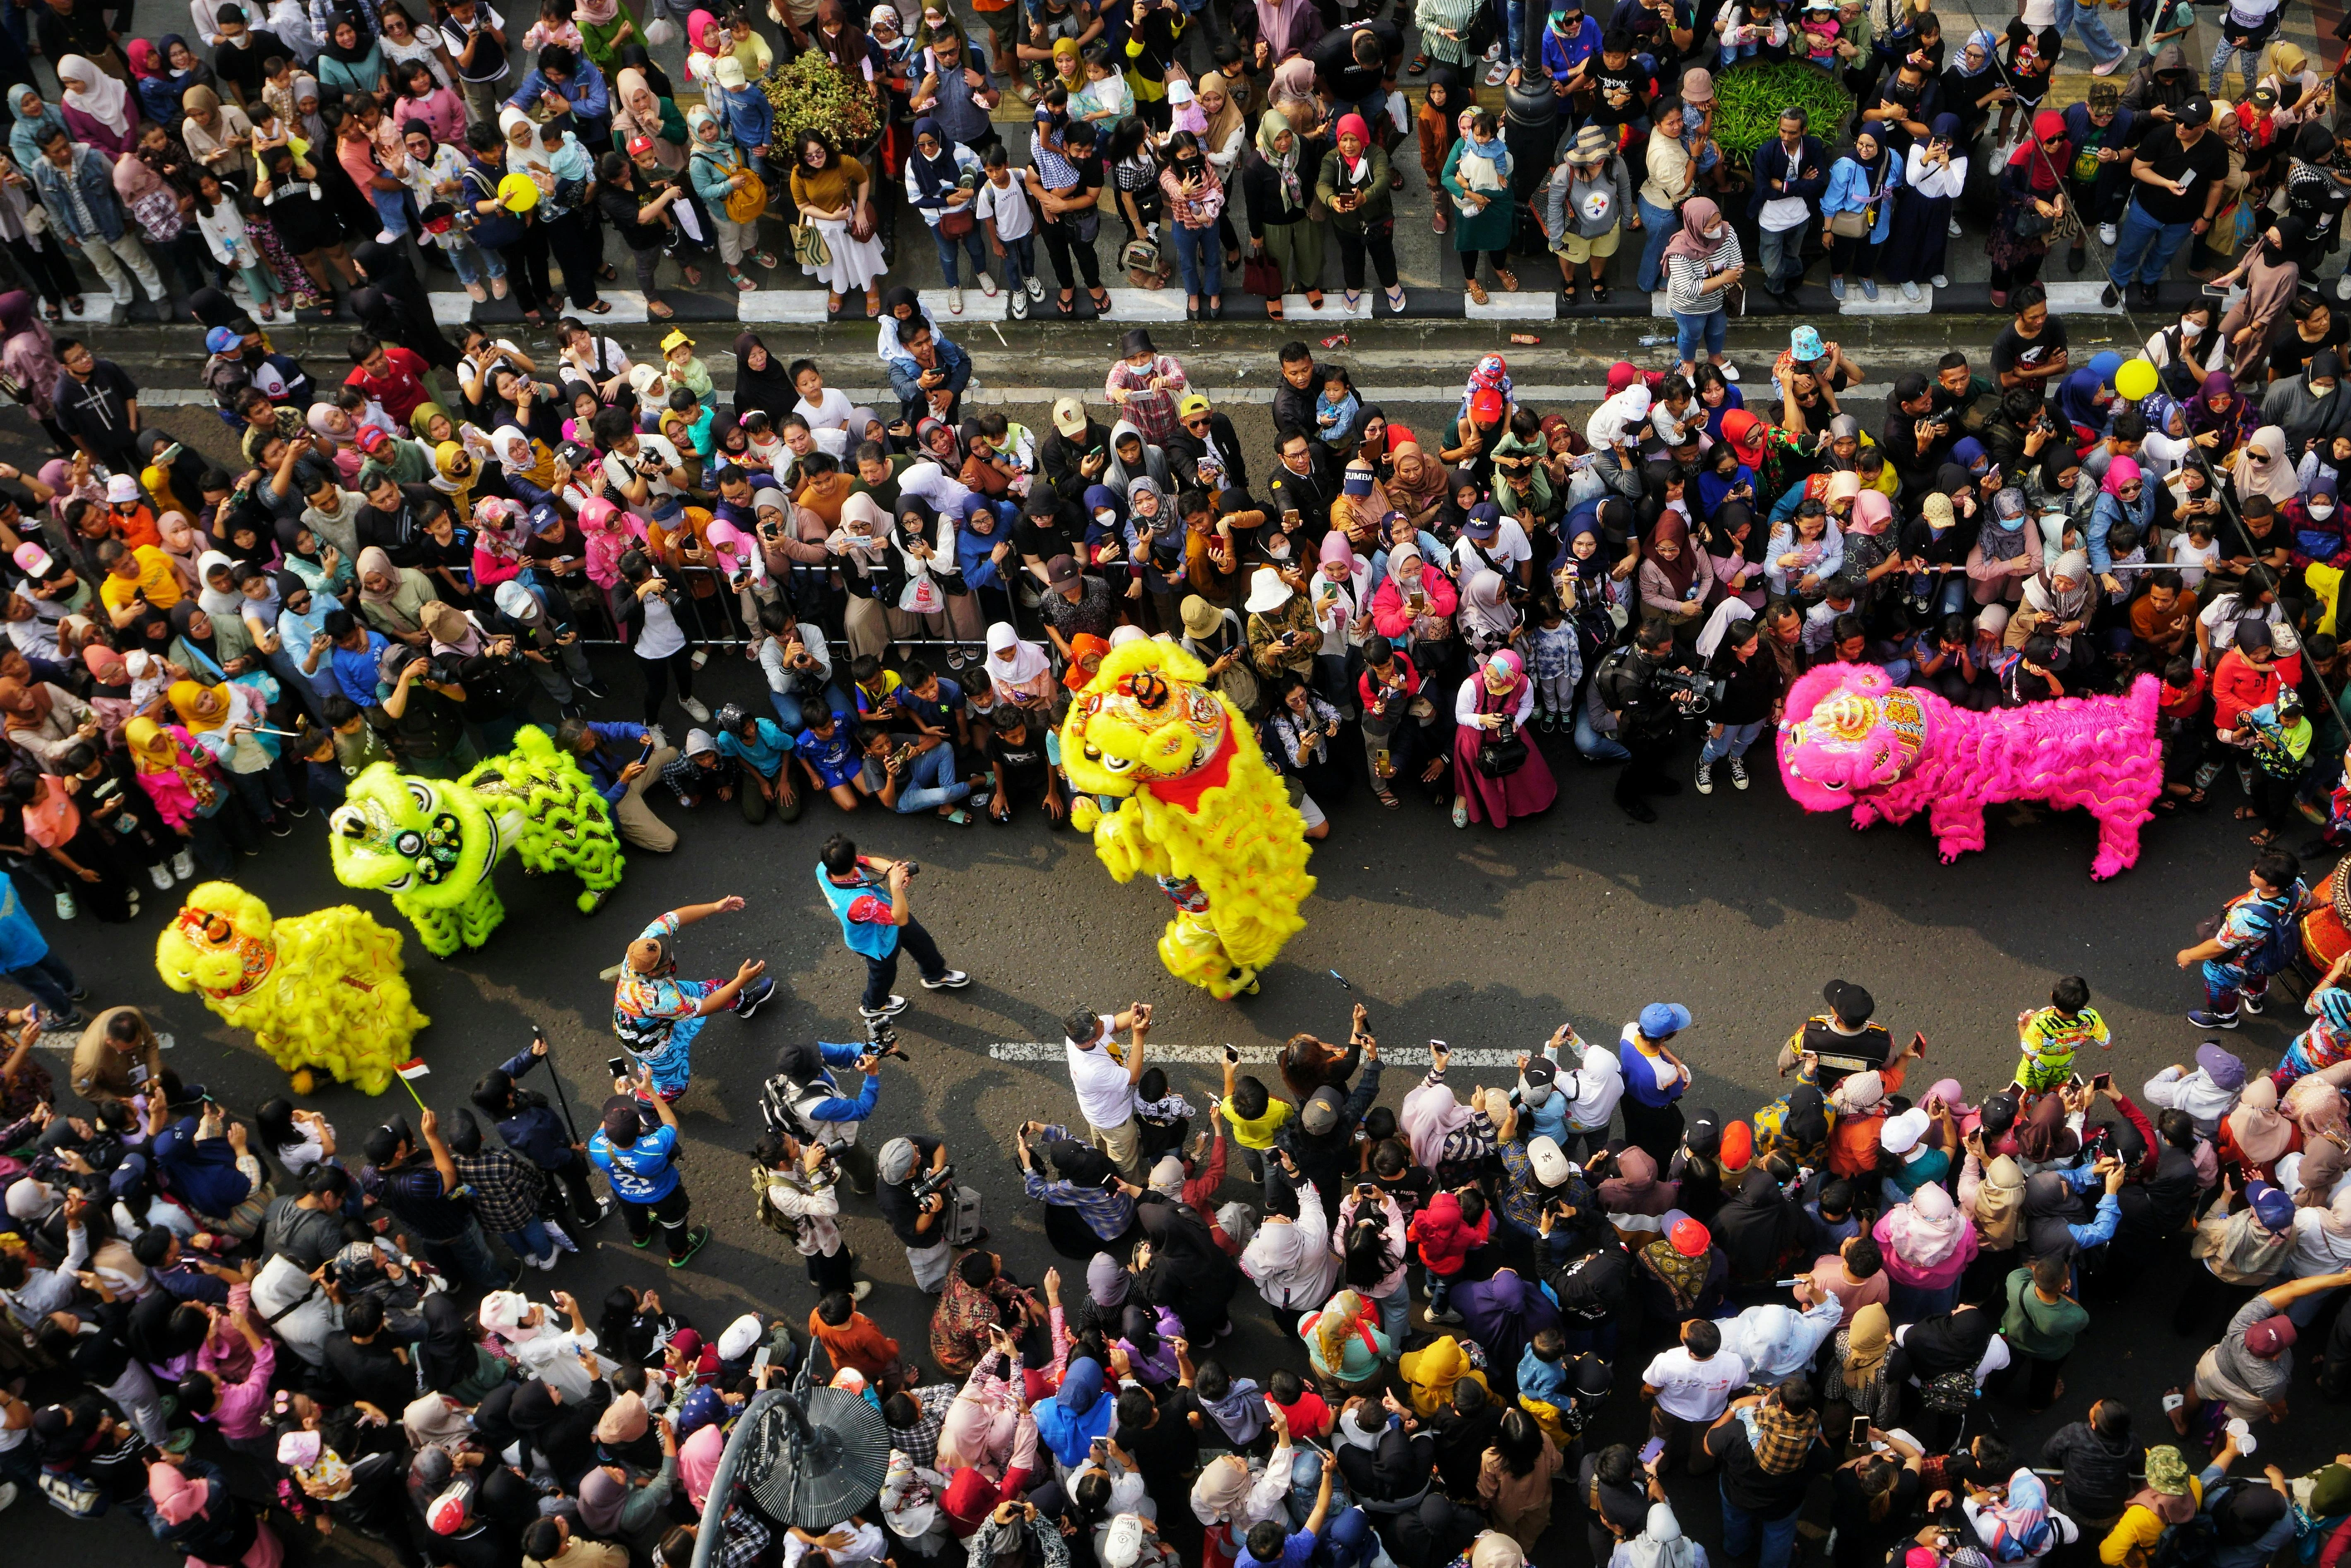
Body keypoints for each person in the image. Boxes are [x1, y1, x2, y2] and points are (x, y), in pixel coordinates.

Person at [611, 897, 778, 1101]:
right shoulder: (663, 1000)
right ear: (654, 974)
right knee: (673, 1086)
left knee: (718, 989)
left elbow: (675, 918)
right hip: (650, 1042)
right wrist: (742, 979)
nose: (672, 958)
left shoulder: (644, 947)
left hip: (646, 1013)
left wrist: (715, 907)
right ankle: (643, 1105)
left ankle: (743, 1004)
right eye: (668, 963)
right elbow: (706, 1007)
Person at [817, 833, 970, 1022]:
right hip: (876, 941)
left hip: (885, 913)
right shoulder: (857, 905)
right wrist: (896, 886)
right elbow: (900, 919)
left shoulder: (825, 868)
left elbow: (870, 862)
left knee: (922, 942)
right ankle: (873, 1005)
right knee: (884, 975)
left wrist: (894, 870)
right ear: (850, 863)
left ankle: (935, 974)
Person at [589, 1064, 712, 1267]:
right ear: (640, 1129)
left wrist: (621, 1101)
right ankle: (678, 1253)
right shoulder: (652, 1149)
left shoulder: (598, 1148)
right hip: (664, 1194)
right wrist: (650, 1092)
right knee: (674, 1224)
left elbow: (604, 1130)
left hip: (626, 1194)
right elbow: (671, 1124)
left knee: (634, 1217)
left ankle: (641, 1236)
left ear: (607, 1135)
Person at [1064, 1001, 1151, 1178]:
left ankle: (1103, 1163)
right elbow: (1132, 1076)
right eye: (1100, 1026)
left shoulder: (1079, 1033)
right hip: (1115, 1121)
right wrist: (1139, 1035)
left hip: (1098, 1113)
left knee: (1102, 1149)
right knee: (1125, 1164)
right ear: (1090, 1040)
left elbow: (1116, 1024)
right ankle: (1131, 1191)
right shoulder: (1092, 1071)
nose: (1103, 1024)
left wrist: (1133, 1014)